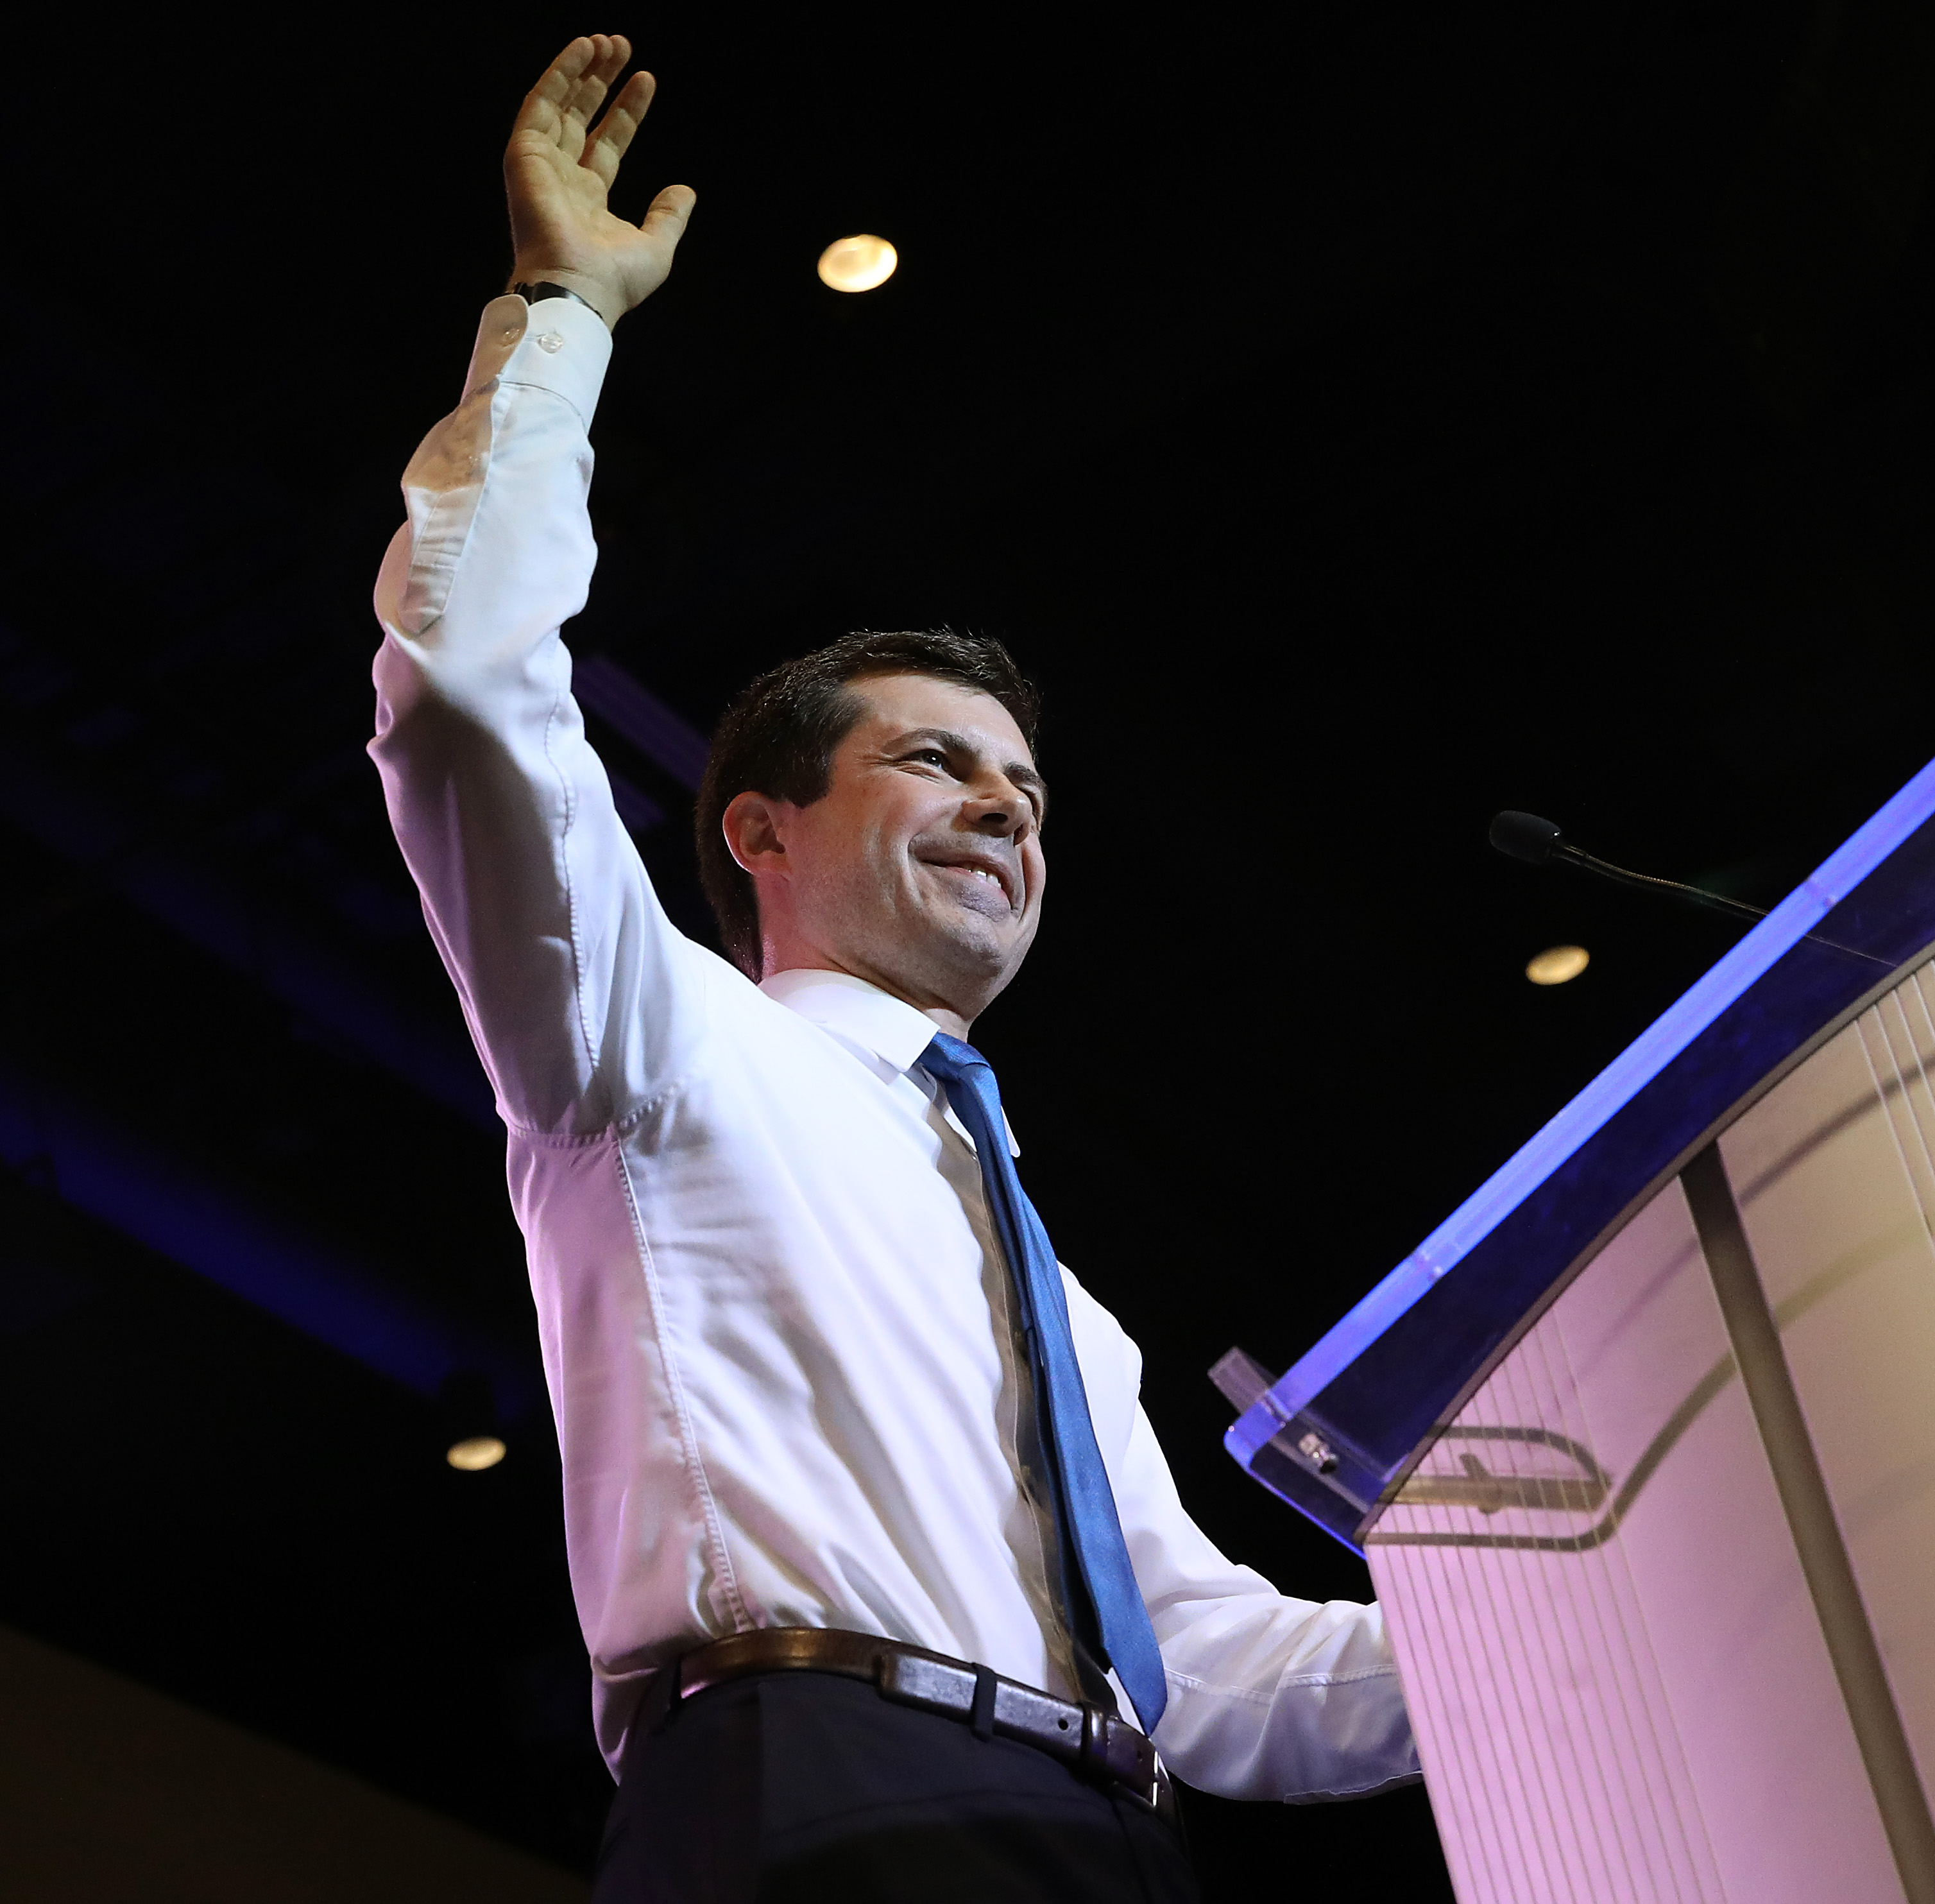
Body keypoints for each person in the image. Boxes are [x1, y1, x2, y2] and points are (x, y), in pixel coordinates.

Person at [369, 34, 1418, 1902]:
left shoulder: (1064, 1300)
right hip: (819, 1794)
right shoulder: (662, 1041)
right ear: (758, 831)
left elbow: (1226, 1677)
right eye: (936, 762)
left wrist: (1576, 1610)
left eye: (1028, 790)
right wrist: (558, 318)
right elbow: (466, 689)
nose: (1008, 815)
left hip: (1109, 1840)